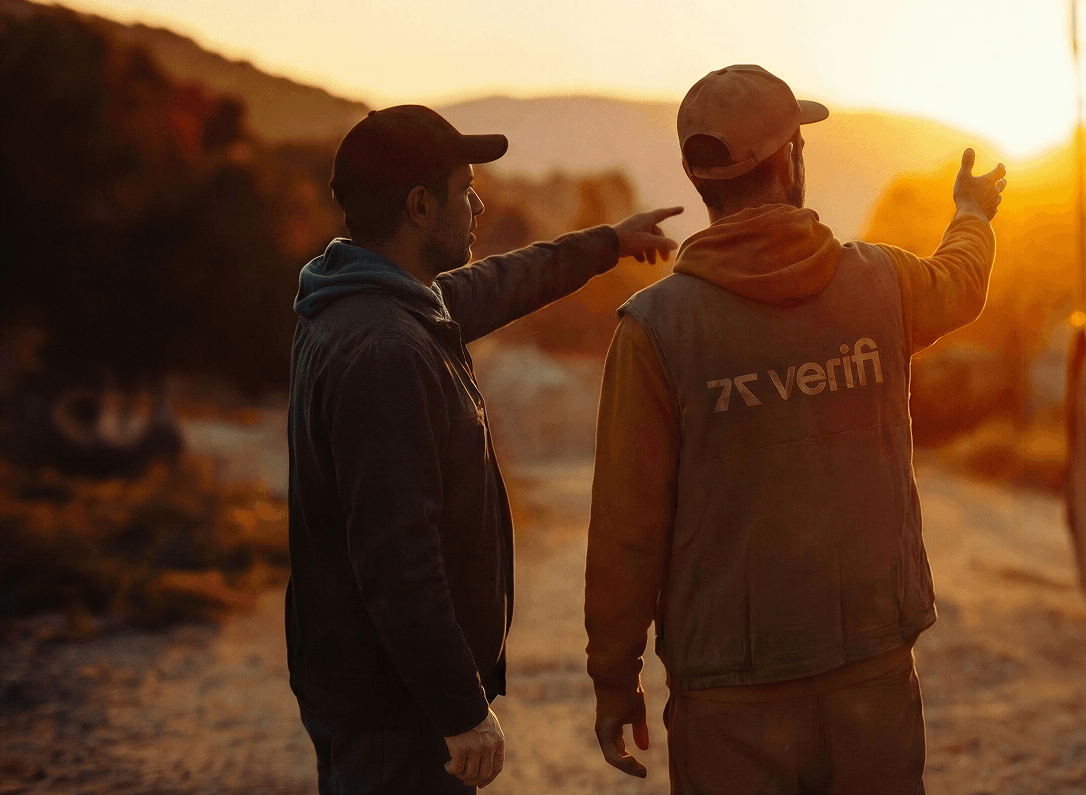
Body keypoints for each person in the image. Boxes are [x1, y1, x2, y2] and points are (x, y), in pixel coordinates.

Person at [583, 65, 1004, 794]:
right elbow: (961, 282)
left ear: (697, 178)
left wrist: (614, 677)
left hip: (729, 699)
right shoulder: (882, 283)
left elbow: (628, 524)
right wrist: (971, 212)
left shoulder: (654, 330)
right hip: (869, 671)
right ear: (792, 160)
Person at [288, 104, 684, 793]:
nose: (477, 205)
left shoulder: (382, 306)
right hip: (397, 712)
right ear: (420, 206)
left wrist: (608, 243)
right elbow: (396, 555)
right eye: (463, 189)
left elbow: (499, 284)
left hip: (382, 695)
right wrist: (459, 710)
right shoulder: (386, 349)